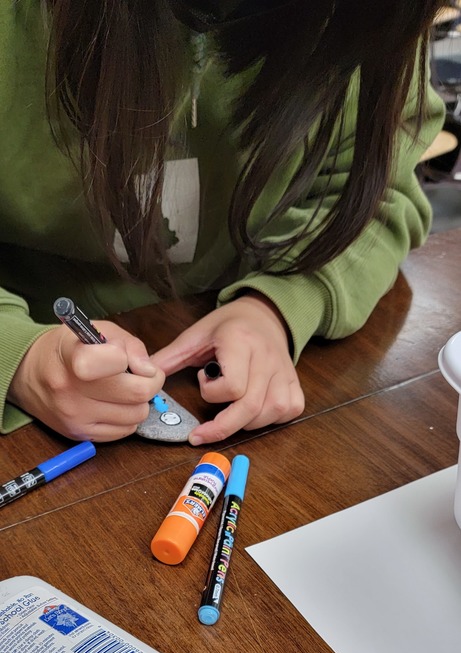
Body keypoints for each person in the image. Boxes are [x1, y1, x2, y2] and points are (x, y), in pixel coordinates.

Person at [0, 0, 446, 445]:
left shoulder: (375, 17)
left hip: (237, 330)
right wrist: (18, 356)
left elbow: (379, 194)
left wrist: (277, 306)